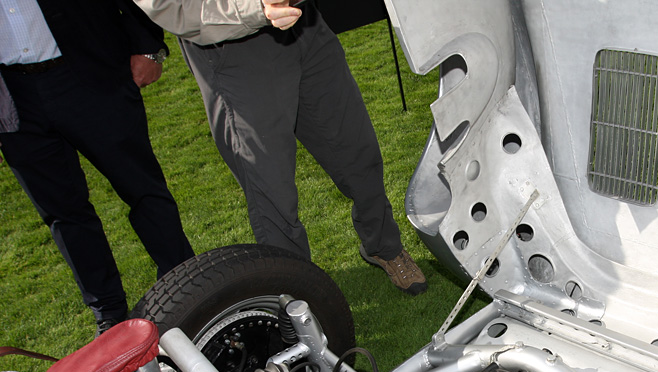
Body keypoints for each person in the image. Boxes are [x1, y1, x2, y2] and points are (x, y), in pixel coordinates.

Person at [133, 0, 428, 295]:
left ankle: (384, 246)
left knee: (357, 150)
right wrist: (255, 8)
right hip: (234, 49)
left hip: (306, 26)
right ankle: (300, 297)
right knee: (273, 193)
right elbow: (169, 6)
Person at [0, 0, 195, 336]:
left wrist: (148, 47)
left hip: (90, 70)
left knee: (142, 188)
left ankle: (187, 285)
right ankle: (109, 315)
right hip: (12, 97)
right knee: (63, 213)